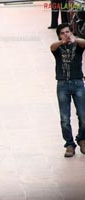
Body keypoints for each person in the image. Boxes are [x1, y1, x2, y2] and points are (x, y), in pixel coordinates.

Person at [50, 23, 85, 157]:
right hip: (62, 84)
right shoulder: (57, 48)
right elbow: (52, 47)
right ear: (59, 35)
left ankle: (82, 139)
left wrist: (74, 39)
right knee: (65, 118)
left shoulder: (78, 45)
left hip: (78, 83)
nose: (66, 34)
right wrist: (61, 42)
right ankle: (69, 144)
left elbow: (83, 43)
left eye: (68, 32)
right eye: (63, 33)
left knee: (83, 115)